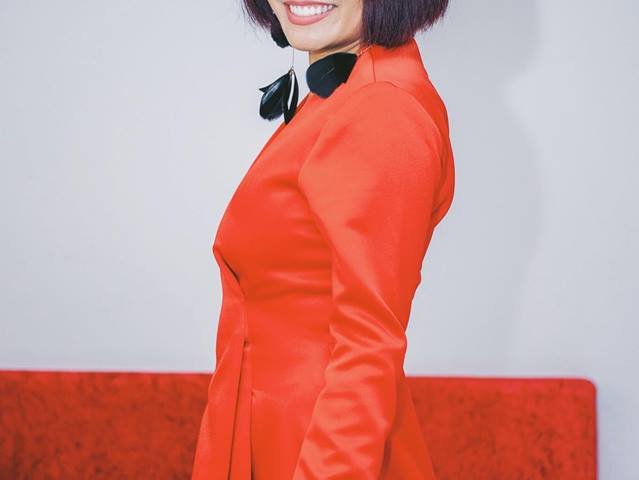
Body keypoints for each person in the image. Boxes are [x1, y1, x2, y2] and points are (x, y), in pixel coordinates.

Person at [191, 0, 454, 478]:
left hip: (317, 447)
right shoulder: (351, 90)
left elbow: (368, 346)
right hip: (276, 431)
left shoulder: (381, 107)